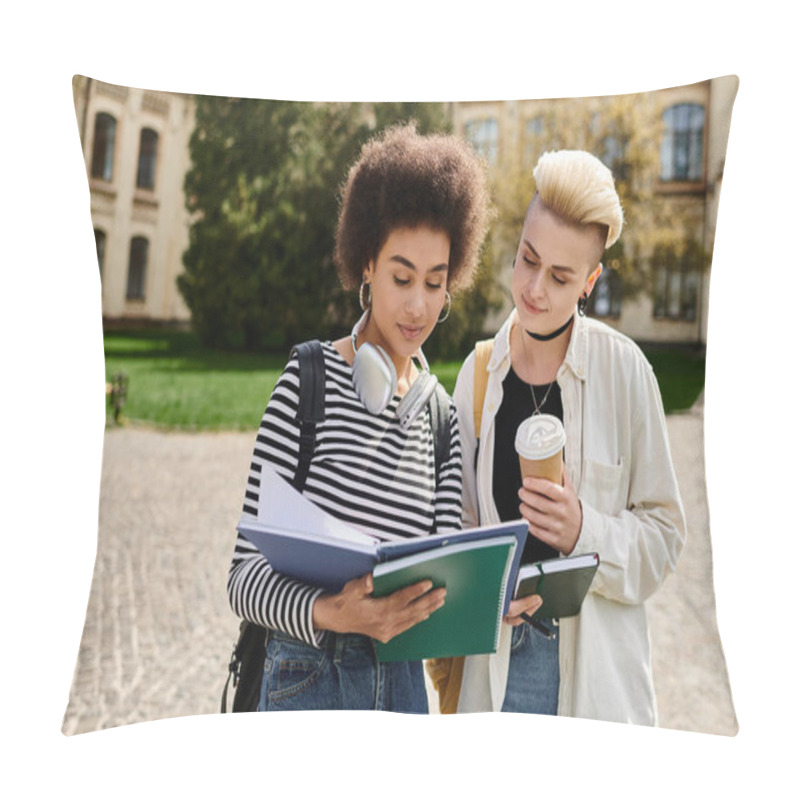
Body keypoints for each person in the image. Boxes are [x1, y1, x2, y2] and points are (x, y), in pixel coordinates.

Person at [227, 123, 491, 713]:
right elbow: (243, 579)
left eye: (435, 283)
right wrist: (331, 612)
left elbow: (439, 596)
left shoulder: (443, 420)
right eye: (401, 277)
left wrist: (493, 595)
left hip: (397, 694)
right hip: (302, 679)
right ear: (366, 263)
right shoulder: (308, 380)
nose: (418, 305)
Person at [453, 149, 686, 724]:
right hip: (497, 682)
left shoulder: (626, 372)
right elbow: (454, 534)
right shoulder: (477, 376)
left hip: (599, 691)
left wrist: (586, 529)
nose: (534, 288)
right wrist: (485, 594)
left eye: (559, 277)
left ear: (590, 282)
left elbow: (665, 537)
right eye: (527, 259)